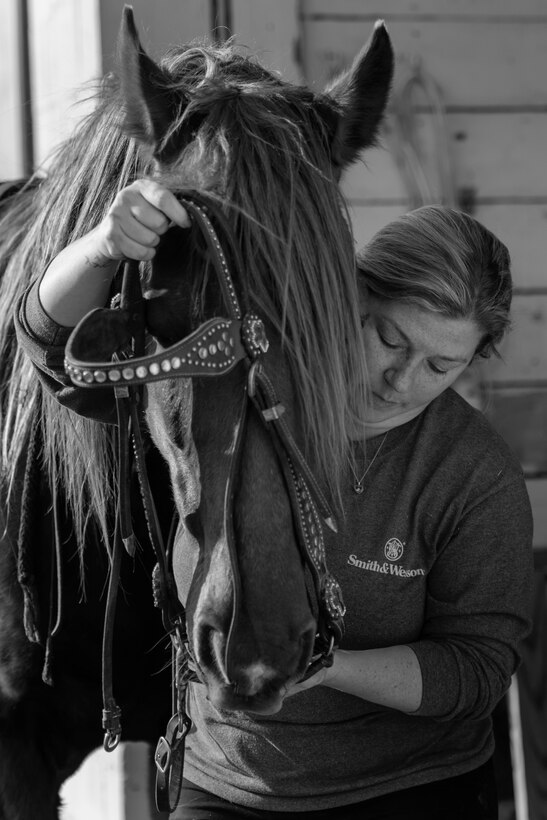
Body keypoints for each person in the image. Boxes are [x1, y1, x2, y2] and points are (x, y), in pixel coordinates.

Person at [15, 184, 533, 820]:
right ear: (352, 300)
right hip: (223, 784)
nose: (402, 382)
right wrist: (102, 248)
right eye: (391, 339)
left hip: (411, 787)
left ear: (473, 361)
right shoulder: (241, 386)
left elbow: (476, 672)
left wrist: (325, 667)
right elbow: (52, 353)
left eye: (440, 365)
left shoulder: (474, 473)